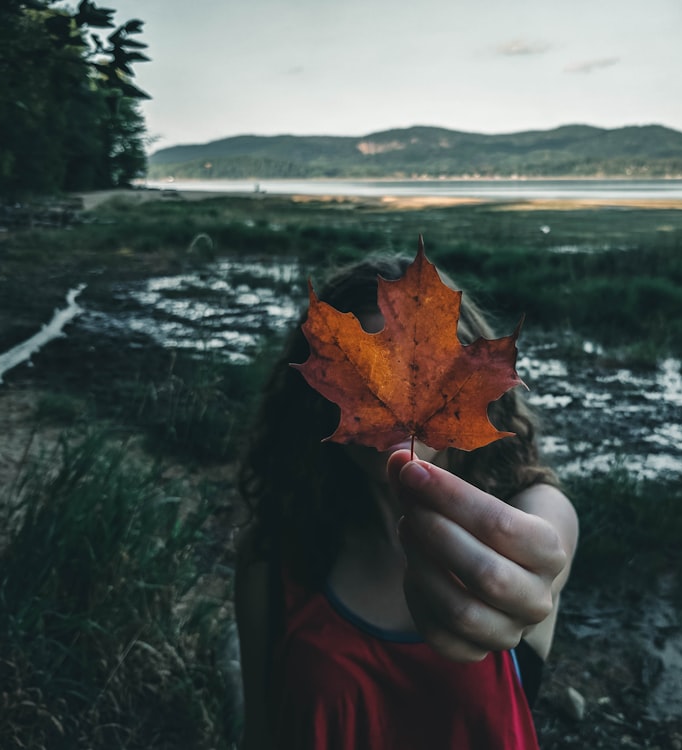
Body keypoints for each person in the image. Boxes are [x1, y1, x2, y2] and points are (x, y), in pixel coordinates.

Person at [234, 253, 579, 749]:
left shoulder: (526, 503)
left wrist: (524, 576)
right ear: (318, 395)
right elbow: (262, 736)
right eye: (364, 377)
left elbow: (548, 541)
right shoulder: (273, 561)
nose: (394, 401)